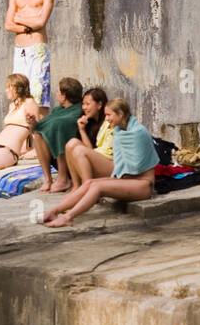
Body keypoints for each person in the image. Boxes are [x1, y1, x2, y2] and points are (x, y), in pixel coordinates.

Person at [42, 98, 157, 226]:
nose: (106, 119)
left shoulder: (138, 133)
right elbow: (121, 164)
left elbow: (135, 167)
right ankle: (54, 211)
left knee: (97, 187)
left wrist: (111, 181)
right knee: (89, 183)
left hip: (143, 185)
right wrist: (113, 179)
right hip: (126, 179)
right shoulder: (119, 131)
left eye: (109, 115)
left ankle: (68, 217)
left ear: (121, 114)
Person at [4, 0, 55, 112]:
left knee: (39, 93)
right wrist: (27, 27)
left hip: (37, 47)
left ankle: (39, 134)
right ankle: (23, 133)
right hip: (20, 49)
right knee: (18, 91)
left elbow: (41, 22)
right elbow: (8, 24)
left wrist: (18, 18)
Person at [28, 76, 83, 192]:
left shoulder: (77, 110)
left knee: (60, 127)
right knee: (38, 135)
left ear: (64, 96)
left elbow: (57, 125)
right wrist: (33, 124)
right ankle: (48, 179)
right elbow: (42, 126)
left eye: (58, 92)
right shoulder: (58, 110)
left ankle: (63, 178)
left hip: (71, 154)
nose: (56, 94)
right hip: (51, 154)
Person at [63, 87, 112, 188]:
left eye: (88, 104)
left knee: (79, 150)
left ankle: (86, 188)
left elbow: (89, 152)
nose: (84, 107)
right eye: (83, 104)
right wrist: (82, 130)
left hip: (108, 163)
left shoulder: (109, 122)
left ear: (99, 105)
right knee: (71, 143)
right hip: (96, 159)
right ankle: (76, 186)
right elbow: (89, 151)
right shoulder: (88, 122)